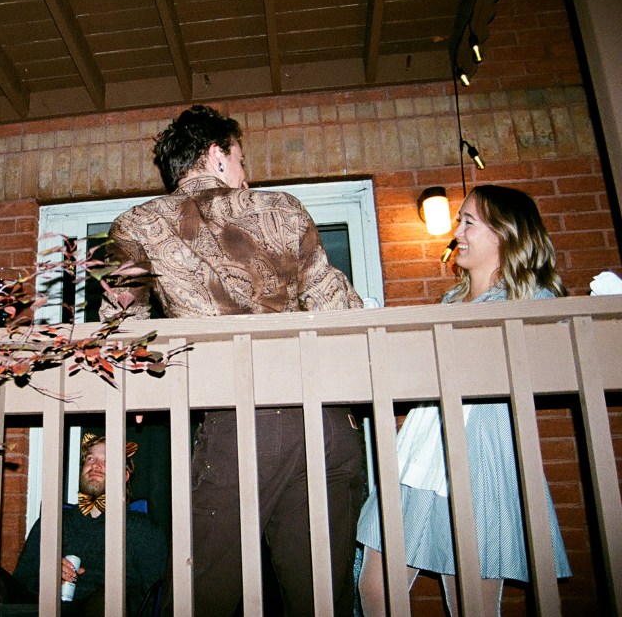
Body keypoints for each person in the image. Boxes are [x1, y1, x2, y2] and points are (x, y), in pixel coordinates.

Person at [98, 105, 365, 615]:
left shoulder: (138, 224)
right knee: (320, 600)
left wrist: (145, 382)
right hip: (327, 420)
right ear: (217, 154)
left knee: (204, 594)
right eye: (241, 160)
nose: (247, 174)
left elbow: (121, 323)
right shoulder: (283, 207)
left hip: (241, 423)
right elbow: (338, 308)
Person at [356, 185, 572, 616]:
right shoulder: (450, 301)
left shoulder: (531, 299)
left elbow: (551, 360)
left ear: (506, 233)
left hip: (478, 451)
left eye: (468, 222)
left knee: (471, 598)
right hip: (422, 448)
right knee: (375, 585)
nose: (457, 233)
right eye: (459, 222)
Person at [12, 433, 168, 616]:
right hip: (51, 608)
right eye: (90, 458)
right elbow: (20, 583)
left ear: (125, 475)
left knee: (107, 598)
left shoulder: (142, 528)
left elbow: (156, 597)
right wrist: (47, 575)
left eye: (107, 460)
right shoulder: (53, 521)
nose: (95, 465)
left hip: (106, 609)